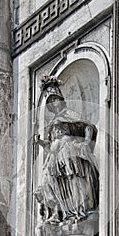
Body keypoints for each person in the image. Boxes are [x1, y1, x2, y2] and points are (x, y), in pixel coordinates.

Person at [34, 76, 99, 225]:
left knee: (73, 178)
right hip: (55, 156)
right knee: (48, 182)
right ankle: (60, 214)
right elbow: (50, 146)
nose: (54, 103)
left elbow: (87, 126)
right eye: (50, 101)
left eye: (55, 99)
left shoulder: (69, 114)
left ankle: (78, 211)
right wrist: (40, 142)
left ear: (60, 99)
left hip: (68, 149)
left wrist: (87, 142)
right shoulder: (52, 122)